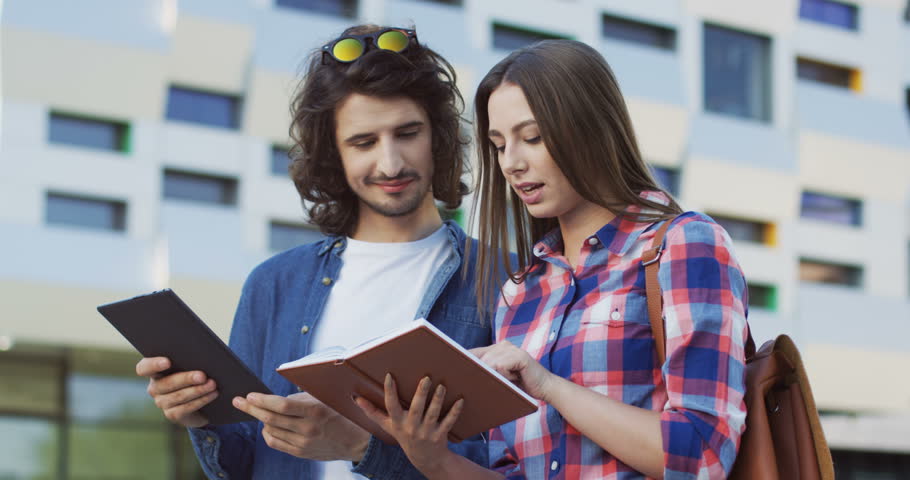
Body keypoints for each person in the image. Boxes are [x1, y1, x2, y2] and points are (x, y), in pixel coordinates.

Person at [356, 39, 751, 479]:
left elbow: (703, 455)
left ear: (591, 128)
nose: (511, 163)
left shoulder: (684, 246)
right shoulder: (519, 293)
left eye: (533, 137)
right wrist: (432, 459)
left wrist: (547, 385)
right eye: (499, 144)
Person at [135, 24, 497, 479]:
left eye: (407, 133)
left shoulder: (502, 278)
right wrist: (197, 415)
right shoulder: (275, 284)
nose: (391, 163)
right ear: (334, 155)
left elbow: (520, 461)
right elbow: (245, 461)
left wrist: (360, 446)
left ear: (437, 137)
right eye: (363, 142)